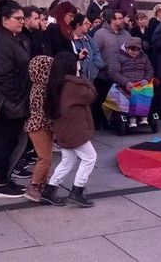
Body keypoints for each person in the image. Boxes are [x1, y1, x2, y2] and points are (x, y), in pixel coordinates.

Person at [0, 0, 32, 198]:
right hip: (5, 102)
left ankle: (5, 179)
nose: (22, 21)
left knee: (12, 141)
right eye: (18, 18)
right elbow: (0, 75)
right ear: (4, 20)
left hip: (14, 100)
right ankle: (1, 184)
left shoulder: (12, 38)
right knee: (4, 142)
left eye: (22, 18)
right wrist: (18, 96)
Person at [43, 52, 97, 207]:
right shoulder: (73, 85)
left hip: (63, 128)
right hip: (75, 129)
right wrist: (82, 77)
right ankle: (77, 191)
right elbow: (91, 95)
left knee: (68, 160)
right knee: (90, 157)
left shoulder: (56, 83)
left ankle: (49, 190)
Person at [92, 9, 131, 130]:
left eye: (123, 18)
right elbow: (95, 52)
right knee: (101, 98)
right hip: (104, 74)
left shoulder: (126, 34)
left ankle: (114, 121)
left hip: (121, 74)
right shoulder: (100, 34)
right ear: (112, 20)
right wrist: (102, 65)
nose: (122, 20)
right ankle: (98, 121)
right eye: (119, 18)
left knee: (117, 100)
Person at [23, 56, 54, 203]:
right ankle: (33, 186)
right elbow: (43, 113)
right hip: (39, 126)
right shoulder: (41, 90)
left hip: (40, 125)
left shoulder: (38, 87)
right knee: (44, 158)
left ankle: (43, 184)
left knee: (47, 158)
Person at [109, 37, 154, 128]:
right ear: (127, 48)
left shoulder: (144, 56)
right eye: (133, 50)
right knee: (129, 96)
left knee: (146, 94)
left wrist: (146, 79)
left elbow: (150, 70)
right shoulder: (118, 57)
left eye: (138, 50)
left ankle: (143, 116)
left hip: (141, 83)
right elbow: (113, 72)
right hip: (125, 84)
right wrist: (126, 82)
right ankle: (132, 117)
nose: (135, 53)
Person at [70, 14, 104, 82]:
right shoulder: (70, 40)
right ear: (78, 25)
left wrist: (94, 67)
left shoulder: (88, 38)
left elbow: (96, 52)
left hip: (90, 79)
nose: (88, 25)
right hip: (76, 80)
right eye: (85, 23)